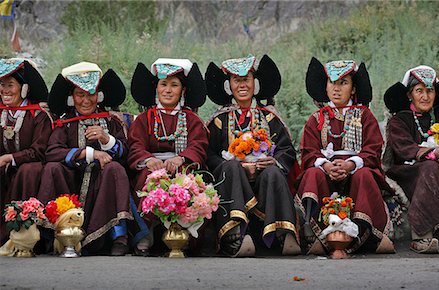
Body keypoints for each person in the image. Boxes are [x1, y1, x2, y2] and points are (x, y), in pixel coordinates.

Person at [296, 57, 394, 256]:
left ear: (354, 88)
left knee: (365, 175)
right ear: (325, 86)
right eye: (332, 82)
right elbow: (308, 152)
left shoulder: (365, 115)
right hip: (327, 174)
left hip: (356, 171)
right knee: (312, 174)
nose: (337, 89)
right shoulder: (317, 118)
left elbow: (373, 149)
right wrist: (326, 165)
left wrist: (350, 164)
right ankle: (320, 235)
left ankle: (364, 235)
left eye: (343, 83)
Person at [205, 54, 300, 257]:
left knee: (274, 172)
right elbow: (209, 155)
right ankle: (235, 233)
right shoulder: (220, 120)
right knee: (230, 168)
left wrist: (273, 160)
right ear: (228, 85)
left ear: (255, 83)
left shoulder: (269, 117)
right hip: (233, 179)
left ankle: (283, 232)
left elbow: (287, 150)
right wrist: (236, 164)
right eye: (236, 80)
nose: (242, 85)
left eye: (246, 80)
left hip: (263, 177)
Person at [38, 62, 132, 256]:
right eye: (80, 95)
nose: (86, 101)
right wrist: (88, 153)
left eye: (91, 94)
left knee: (115, 168)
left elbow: (125, 151)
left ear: (99, 96)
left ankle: (118, 237)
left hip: (101, 182)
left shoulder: (111, 120)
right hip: (72, 180)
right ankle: (51, 235)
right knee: (52, 168)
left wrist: (107, 140)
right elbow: (52, 152)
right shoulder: (64, 123)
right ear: (72, 98)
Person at [127, 58, 209, 256]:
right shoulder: (144, 119)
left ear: (183, 90)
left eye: (174, 85)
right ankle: (146, 235)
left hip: (180, 165)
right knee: (147, 175)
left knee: (186, 178)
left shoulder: (192, 119)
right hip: (151, 166)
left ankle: (184, 234)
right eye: (163, 84)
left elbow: (199, 145)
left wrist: (181, 158)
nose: (168, 90)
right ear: (156, 88)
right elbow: (135, 145)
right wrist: (148, 159)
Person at [384, 65, 439, 253]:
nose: (425, 96)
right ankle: (422, 235)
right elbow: (404, 148)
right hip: (409, 173)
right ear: (409, 95)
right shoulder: (399, 120)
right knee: (429, 166)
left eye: (430, 91)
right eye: (419, 91)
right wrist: (435, 153)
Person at [0, 58, 51, 245]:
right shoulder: (1, 112)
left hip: (31, 168)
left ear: (23, 88)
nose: (5, 90)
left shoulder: (38, 114)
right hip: (4, 167)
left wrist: (10, 158)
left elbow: (40, 151)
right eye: (2, 85)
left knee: (28, 170)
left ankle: (20, 232)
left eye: (10, 85)